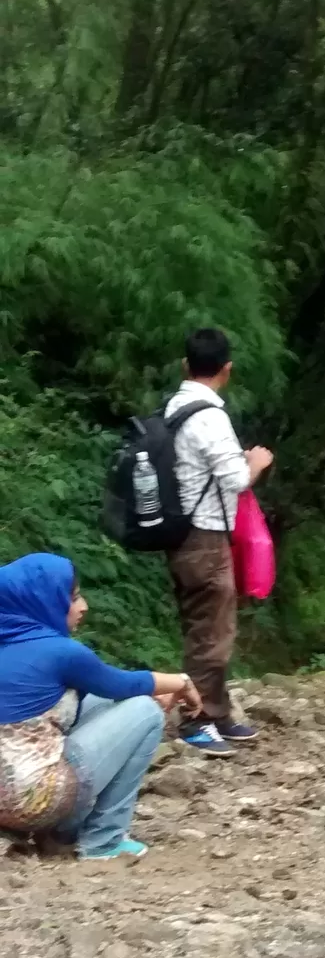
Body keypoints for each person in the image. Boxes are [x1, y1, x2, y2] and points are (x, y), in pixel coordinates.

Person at [0, 554, 202, 860]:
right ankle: (103, 841)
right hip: (35, 802)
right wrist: (181, 682)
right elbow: (123, 684)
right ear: (43, 601)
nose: (84, 607)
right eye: (74, 598)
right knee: (144, 712)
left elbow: (104, 691)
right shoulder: (62, 652)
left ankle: (47, 835)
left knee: (100, 700)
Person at [165, 328, 273, 757]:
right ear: (226, 370)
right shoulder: (209, 416)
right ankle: (197, 722)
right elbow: (234, 479)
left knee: (207, 626)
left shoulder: (173, 409)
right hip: (204, 535)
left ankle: (218, 712)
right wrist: (255, 463)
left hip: (180, 532)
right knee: (212, 632)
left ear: (184, 365)